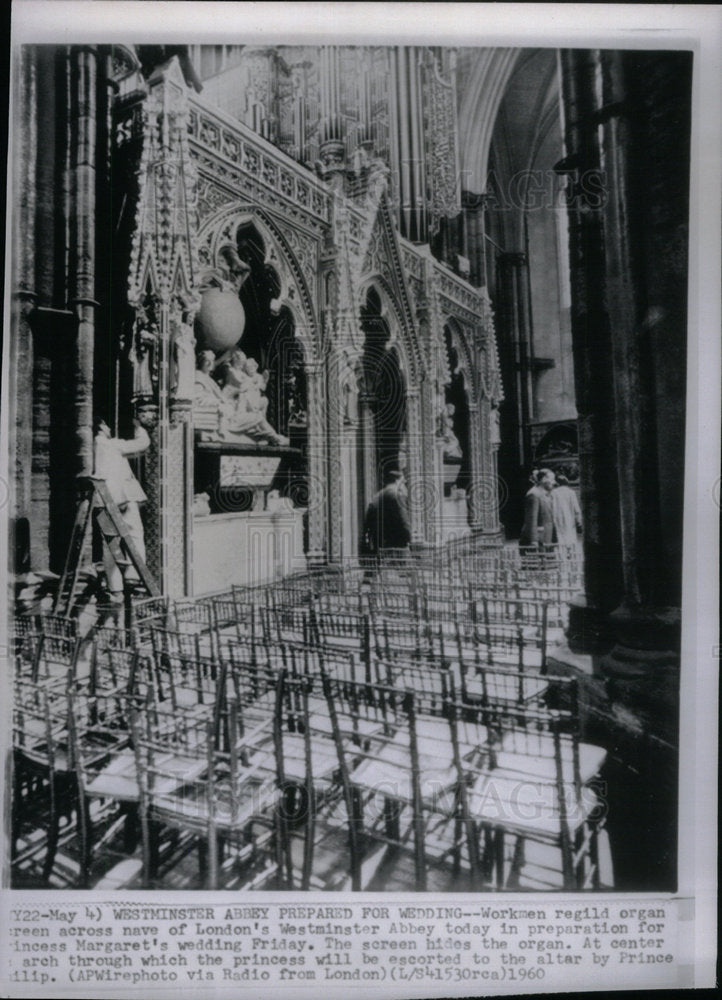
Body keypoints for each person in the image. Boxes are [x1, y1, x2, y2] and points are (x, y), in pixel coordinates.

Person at [93, 418, 150, 600]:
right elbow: (142, 444)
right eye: (107, 425)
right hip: (120, 499)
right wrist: (139, 427)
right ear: (102, 427)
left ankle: (115, 587)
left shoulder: (94, 446)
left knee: (110, 544)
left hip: (102, 499)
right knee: (135, 535)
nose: (110, 428)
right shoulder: (109, 444)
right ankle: (135, 577)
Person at [362, 469, 411, 555]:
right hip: (396, 548)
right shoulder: (396, 494)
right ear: (397, 481)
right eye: (403, 482)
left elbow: (368, 521)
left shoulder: (378, 495)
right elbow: (403, 520)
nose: (404, 485)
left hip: (381, 546)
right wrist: (409, 537)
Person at [519, 468, 556, 551]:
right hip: (539, 540)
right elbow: (531, 520)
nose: (554, 482)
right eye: (552, 479)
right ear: (543, 479)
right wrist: (533, 541)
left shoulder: (545, 495)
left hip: (546, 538)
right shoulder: (534, 494)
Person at [551, 473, 582, 548]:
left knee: (560, 538)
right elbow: (576, 509)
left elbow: (553, 507)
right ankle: (571, 555)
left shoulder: (554, 492)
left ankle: (563, 556)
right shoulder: (571, 492)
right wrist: (579, 522)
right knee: (571, 538)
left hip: (558, 518)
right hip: (570, 518)